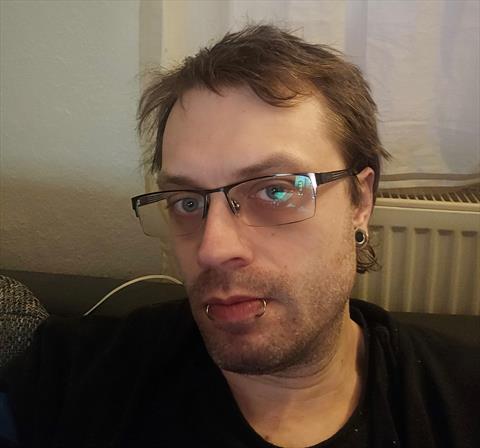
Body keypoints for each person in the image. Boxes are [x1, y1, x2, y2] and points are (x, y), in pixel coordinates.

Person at [1, 24, 478, 448]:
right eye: (187, 202)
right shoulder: (78, 379)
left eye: (274, 190)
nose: (212, 249)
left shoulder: (459, 401)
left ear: (360, 201)